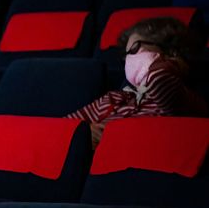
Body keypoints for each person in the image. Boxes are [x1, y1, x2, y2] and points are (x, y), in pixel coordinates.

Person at [68, 17, 208, 147]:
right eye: (127, 55)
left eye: (135, 49)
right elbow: (62, 127)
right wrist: (86, 130)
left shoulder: (182, 98)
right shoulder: (116, 98)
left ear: (170, 52)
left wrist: (173, 64)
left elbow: (159, 80)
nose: (129, 60)